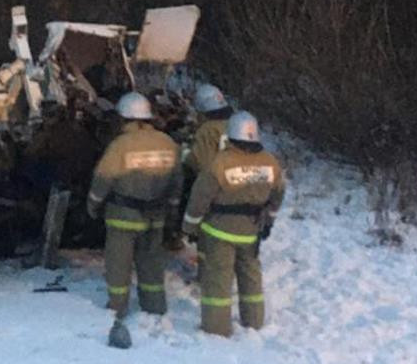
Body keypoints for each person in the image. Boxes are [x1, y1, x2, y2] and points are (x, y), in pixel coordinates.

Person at [183, 111, 285, 337]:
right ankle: (254, 321)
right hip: (251, 232)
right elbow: (278, 194)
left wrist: (190, 227)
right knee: (251, 278)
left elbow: (199, 198)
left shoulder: (220, 163)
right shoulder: (270, 163)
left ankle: (216, 328)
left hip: (219, 232)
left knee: (218, 281)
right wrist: (268, 221)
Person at [87, 92, 183, 317]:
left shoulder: (120, 145)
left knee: (119, 265)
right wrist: (172, 210)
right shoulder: (167, 143)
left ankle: (117, 307)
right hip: (155, 217)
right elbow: (177, 180)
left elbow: (103, 178)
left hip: (123, 217)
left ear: (124, 118)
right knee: (151, 264)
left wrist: (93, 205)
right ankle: (155, 307)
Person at [167, 84, 233, 248]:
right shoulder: (233, 123)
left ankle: (179, 233)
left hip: (212, 184)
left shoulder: (207, 129)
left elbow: (199, 162)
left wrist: (181, 151)